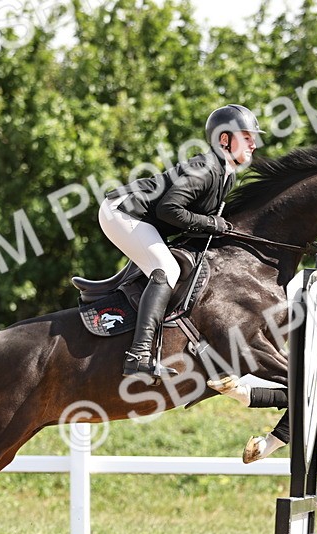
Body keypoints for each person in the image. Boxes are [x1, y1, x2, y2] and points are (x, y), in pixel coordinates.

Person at [99, 104, 264, 383]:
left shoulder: (227, 174)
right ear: (224, 139)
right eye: (246, 137)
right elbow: (169, 210)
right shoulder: (205, 168)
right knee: (166, 269)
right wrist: (213, 224)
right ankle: (138, 354)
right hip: (122, 211)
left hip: (143, 218)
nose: (254, 144)